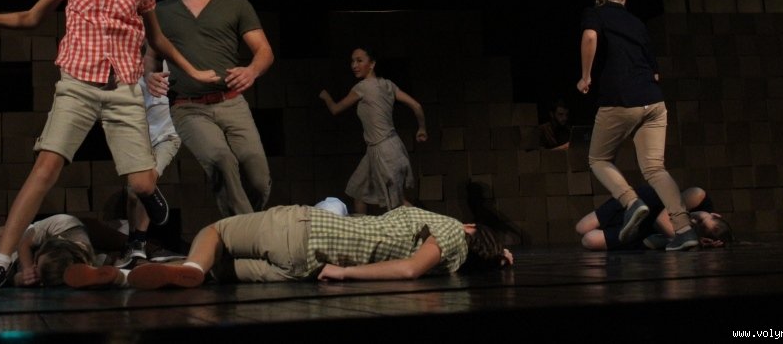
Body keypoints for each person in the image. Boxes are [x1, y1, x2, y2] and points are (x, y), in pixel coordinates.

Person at [0, 0, 219, 292]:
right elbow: (31, 18)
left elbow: (158, 40)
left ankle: (149, 192)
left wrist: (192, 71)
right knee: (44, 170)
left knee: (142, 183)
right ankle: (0, 260)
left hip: (123, 91)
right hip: (77, 87)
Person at [62, 203, 514, 289]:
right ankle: (122, 278)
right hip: (303, 268)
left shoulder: (450, 232)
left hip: (305, 230)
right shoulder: (453, 265)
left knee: (216, 233)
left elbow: (408, 269)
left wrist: (344, 272)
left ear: (472, 229)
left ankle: (191, 271)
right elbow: (420, 268)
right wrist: (496, 257)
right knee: (216, 271)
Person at [149, 0, 275, 219]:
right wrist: (150, 76)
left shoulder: (235, 4)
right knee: (220, 160)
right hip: (188, 107)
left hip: (232, 102)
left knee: (257, 176)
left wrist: (251, 70)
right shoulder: (162, 11)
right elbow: (151, 55)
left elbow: (264, 51)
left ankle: (242, 226)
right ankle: (247, 232)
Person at [576, 0, 697, 251]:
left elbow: (590, 37)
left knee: (598, 159)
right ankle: (684, 230)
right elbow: (655, 72)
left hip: (621, 99)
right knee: (655, 168)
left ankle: (631, 202)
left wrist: (585, 76)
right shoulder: (636, 23)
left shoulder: (595, 13)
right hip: (653, 101)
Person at [318, 47, 427, 214]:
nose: (354, 65)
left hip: (383, 151)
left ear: (372, 63)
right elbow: (416, 105)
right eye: (352, 61)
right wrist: (422, 128)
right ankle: (362, 229)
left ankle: (429, 225)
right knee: (358, 190)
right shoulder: (388, 85)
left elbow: (335, 109)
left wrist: (325, 96)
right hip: (384, 148)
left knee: (398, 204)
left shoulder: (362, 87)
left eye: (359, 60)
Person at [112, 51, 187, 268]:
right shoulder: (127, 65)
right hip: (137, 137)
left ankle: (139, 241)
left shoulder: (173, 63)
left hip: (167, 137)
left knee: (145, 184)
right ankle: (133, 241)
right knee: (132, 193)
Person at [575, 185, 734, 251]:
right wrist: (689, 239)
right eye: (701, 219)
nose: (694, 221)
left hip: (646, 227)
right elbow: (662, 218)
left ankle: (626, 230)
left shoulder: (698, 237)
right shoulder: (699, 197)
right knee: (581, 228)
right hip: (645, 201)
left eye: (698, 227)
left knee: (589, 240)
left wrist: (697, 242)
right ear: (714, 214)